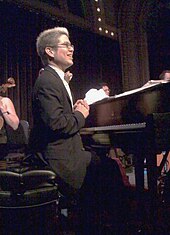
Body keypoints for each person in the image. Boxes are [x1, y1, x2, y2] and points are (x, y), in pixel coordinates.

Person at [29, 27, 127, 234]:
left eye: (71, 45)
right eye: (66, 45)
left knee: (106, 164)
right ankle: (109, 224)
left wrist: (74, 112)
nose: (71, 49)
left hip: (66, 151)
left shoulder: (55, 78)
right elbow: (56, 124)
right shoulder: (47, 81)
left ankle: (95, 220)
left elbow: (58, 118)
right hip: (58, 157)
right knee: (109, 169)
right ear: (49, 51)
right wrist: (80, 114)